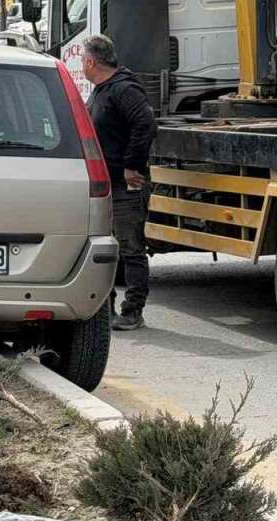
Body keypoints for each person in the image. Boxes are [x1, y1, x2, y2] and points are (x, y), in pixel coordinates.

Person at [82, 34, 157, 331]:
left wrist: (131, 166)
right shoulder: (101, 90)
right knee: (106, 249)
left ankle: (133, 310)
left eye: (82, 61)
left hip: (126, 186)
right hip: (105, 185)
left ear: (90, 62)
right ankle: (106, 307)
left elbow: (145, 125)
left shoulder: (124, 89)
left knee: (131, 248)